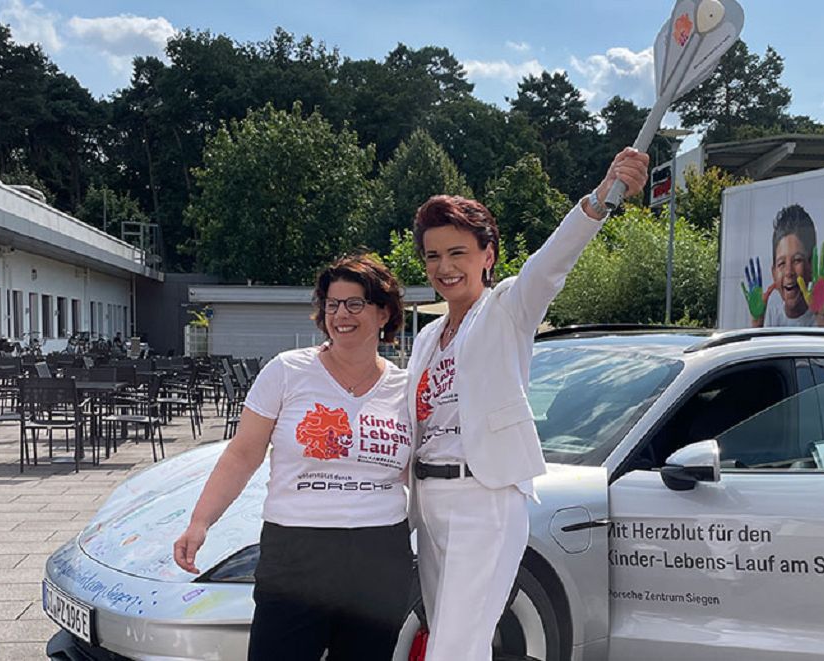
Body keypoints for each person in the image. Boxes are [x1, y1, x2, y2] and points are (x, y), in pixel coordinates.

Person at [407, 147, 649, 660]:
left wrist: (599, 200)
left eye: (457, 253)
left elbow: (551, 263)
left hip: (484, 495)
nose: (444, 267)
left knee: (454, 647)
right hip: (428, 500)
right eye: (432, 256)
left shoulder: (506, 309)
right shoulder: (427, 337)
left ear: (487, 255)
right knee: (447, 633)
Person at [173, 255, 414, 661]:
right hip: (296, 552)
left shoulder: (404, 387)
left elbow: (418, 472)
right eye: (332, 304)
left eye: (355, 303)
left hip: (379, 555)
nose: (341, 314)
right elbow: (242, 454)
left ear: (384, 312)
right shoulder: (287, 371)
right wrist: (200, 522)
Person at [743, 204, 824, 328]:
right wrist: (757, 323)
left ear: (811, 267)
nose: (789, 272)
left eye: (797, 260)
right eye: (781, 263)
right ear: (774, 273)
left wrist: (822, 316)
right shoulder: (771, 315)